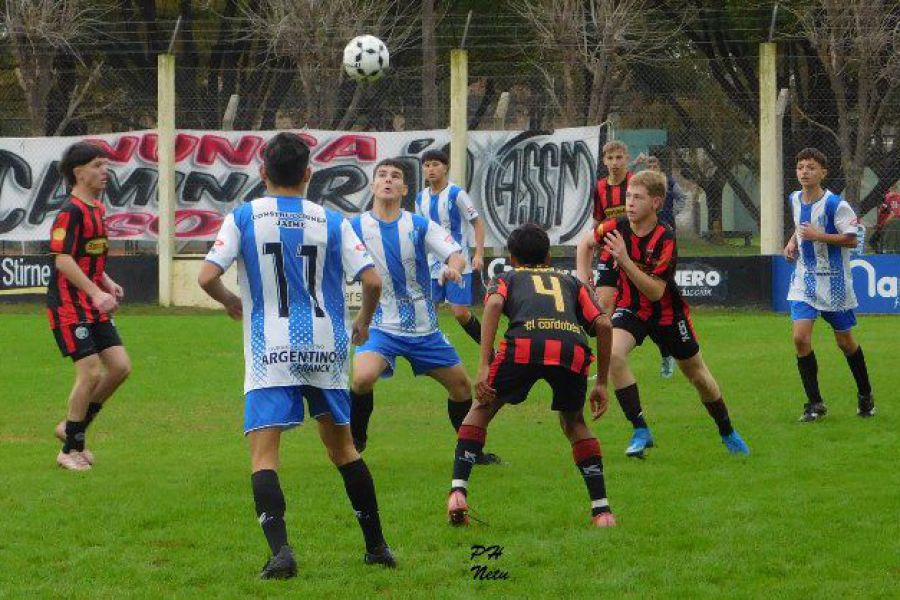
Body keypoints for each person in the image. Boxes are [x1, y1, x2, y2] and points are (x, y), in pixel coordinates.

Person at [198, 133, 395, 579]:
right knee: (344, 450)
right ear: (309, 175)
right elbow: (373, 281)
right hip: (326, 346)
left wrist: (231, 301)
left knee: (264, 457)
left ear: (263, 172)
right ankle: (378, 547)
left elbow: (207, 275)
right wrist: (362, 321)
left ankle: (281, 552)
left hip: (271, 350)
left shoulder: (244, 217)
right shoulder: (332, 220)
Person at [446, 224, 616, 528]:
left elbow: (495, 303)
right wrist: (602, 382)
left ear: (511, 257)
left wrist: (485, 363)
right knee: (574, 422)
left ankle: (458, 491)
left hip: (523, 346)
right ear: (549, 256)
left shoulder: (507, 277)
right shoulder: (571, 282)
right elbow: (603, 325)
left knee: (482, 409)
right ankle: (602, 511)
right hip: (571, 349)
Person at [576, 170, 750, 458]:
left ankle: (727, 430)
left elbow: (656, 291)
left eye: (638, 197)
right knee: (613, 355)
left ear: (655, 203)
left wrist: (624, 259)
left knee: (697, 376)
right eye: (628, 196)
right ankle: (640, 429)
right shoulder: (615, 226)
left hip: (668, 314)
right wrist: (585, 281)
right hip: (632, 309)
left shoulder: (665, 237)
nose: (629, 202)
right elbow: (585, 243)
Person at [349, 158, 501, 465]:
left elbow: (455, 253)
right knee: (362, 378)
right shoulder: (354, 227)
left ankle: (471, 452)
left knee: (461, 388)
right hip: (381, 326)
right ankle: (357, 440)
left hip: (424, 329)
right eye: (382, 175)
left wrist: (452, 268)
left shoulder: (418, 225)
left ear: (404, 189)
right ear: (374, 185)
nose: (388, 180)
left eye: (395, 176)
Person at [48, 142, 131, 472]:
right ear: (78, 172)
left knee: (120, 367)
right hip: (69, 305)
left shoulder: (96, 208)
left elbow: (89, 255)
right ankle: (70, 448)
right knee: (91, 372)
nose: (104, 171)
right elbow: (63, 259)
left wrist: (105, 281)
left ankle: (72, 428)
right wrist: (96, 294)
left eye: (105, 165)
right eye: (97, 165)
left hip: (91, 301)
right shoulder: (70, 212)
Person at [782, 147, 875, 421]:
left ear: (823, 172)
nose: (805, 172)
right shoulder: (794, 198)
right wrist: (792, 241)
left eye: (811, 167)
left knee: (845, 343)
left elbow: (852, 238)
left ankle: (865, 394)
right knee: (800, 338)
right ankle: (814, 404)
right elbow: (802, 227)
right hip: (805, 280)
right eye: (800, 167)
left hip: (834, 283)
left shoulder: (836, 204)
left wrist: (817, 235)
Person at [595, 143, 675, 379]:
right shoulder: (599, 187)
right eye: (610, 157)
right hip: (612, 249)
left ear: (627, 159)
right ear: (604, 161)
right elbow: (598, 222)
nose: (615, 162)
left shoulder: (637, 181)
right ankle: (605, 362)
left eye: (619, 157)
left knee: (654, 307)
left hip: (641, 252)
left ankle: (666, 350)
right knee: (604, 305)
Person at [415, 149, 487, 348]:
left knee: (460, 312)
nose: (431, 169)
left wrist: (479, 254)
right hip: (431, 263)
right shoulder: (420, 199)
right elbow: (419, 231)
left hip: (458, 260)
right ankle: (434, 351)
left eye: (435, 164)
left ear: (445, 168)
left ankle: (489, 347)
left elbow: (477, 223)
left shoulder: (456, 193)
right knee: (429, 311)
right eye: (427, 165)